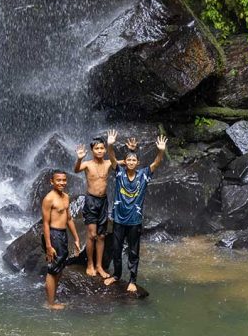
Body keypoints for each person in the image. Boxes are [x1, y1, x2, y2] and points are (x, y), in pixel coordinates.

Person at [103, 135, 167, 293]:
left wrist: (161, 152)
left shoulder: (144, 174)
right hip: (118, 219)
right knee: (116, 249)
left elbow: (156, 163)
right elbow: (111, 158)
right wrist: (109, 146)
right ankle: (117, 275)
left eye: (134, 160)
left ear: (138, 163)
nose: (131, 162)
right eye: (128, 160)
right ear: (125, 162)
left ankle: (132, 280)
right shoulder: (119, 173)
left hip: (134, 221)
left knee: (133, 251)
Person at [73, 130, 118, 279]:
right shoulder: (87, 164)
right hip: (91, 201)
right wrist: (79, 158)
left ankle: (99, 266)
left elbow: (127, 162)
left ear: (105, 149)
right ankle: (90, 264)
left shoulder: (108, 163)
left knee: (101, 236)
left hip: (104, 201)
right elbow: (76, 169)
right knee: (92, 235)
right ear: (92, 150)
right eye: (96, 148)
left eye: (102, 148)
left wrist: (114, 145)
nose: (99, 151)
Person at [42, 169, 82, 310]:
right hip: (53, 235)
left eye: (64, 180)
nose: (61, 183)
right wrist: (48, 245)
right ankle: (50, 303)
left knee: (59, 267)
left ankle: (52, 298)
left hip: (62, 234)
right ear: (52, 181)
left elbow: (69, 218)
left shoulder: (66, 197)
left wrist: (76, 238)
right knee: (53, 269)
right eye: (58, 180)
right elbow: (45, 223)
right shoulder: (49, 199)